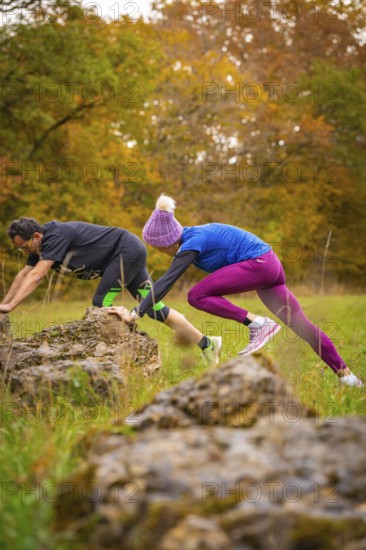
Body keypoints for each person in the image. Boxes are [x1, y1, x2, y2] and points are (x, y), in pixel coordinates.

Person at [109, 195, 363, 388]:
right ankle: (349, 379)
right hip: (269, 267)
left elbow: (167, 280)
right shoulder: (193, 237)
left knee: (195, 296)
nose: (156, 251)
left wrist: (136, 312)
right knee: (303, 326)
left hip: (260, 264)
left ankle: (258, 324)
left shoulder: (191, 244)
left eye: (155, 246)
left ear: (165, 242)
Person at [0, 217, 222, 366]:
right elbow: (24, 274)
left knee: (101, 304)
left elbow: (37, 276)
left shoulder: (55, 236)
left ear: (37, 237)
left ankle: (114, 364)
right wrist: (5, 305)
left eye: (25, 246)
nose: (24, 251)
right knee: (154, 308)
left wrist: (12, 306)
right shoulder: (38, 246)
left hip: (126, 251)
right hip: (126, 254)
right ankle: (208, 344)